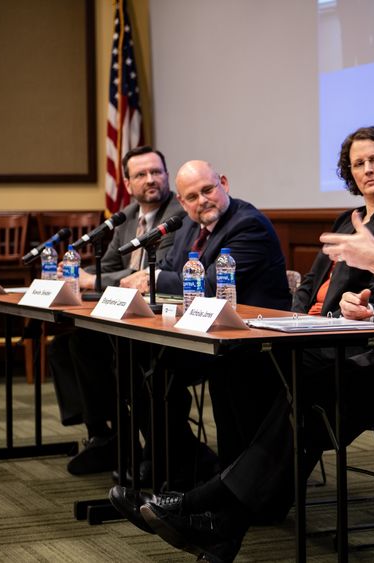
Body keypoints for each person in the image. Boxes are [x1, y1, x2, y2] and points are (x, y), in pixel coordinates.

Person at [111, 118, 374, 563]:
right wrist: (373, 311)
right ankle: (221, 526)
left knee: (315, 385)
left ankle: (205, 505)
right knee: (311, 392)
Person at [119, 159, 292, 475]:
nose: (203, 201)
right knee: (134, 360)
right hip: (205, 333)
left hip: (251, 342)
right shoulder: (188, 226)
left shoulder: (248, 224)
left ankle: (183, 463)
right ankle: (176, 459)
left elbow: (212, 284)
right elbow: (172, 269)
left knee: (154, 369)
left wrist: (150, 279)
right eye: (193, 197)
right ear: (182, 202)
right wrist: (155, 277)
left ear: (223, 184)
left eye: (208, 190)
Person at [48, 146, 185, 475]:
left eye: (157, 172)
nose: (151, 180)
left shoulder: (176, 216)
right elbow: (107, 267)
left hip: (160, 316)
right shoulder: (125, 218)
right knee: (65, 346)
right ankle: (104, 436)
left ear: (167, 176)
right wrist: (93, 278)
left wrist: (92, 279)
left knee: (102, 351)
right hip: (124, 311)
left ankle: (129, 443)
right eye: (141, 174)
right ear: (127, 183)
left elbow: (157, 272)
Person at [292, 125, 374, 318]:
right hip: (310, 326)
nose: (368, 170)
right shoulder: (346, 219)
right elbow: (310, 281)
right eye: (358, 164)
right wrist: (296, 319)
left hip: (344, 331)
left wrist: (325, 323)